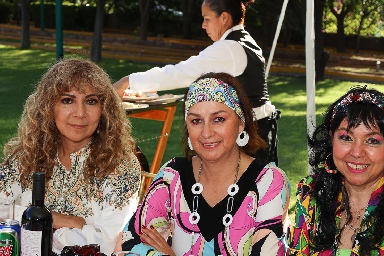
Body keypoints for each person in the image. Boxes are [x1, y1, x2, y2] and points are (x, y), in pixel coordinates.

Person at [116, 72, 291, 255]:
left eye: (218, 119)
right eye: (196, 121)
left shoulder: (268, 182)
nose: (206, 133)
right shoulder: (172, 177)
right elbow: (128, 243)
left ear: (241, 123)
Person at [0, 58, 141, 255]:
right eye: (68, 100)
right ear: (48, 107)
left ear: (104, 110)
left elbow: (108, 242)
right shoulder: (27, 155)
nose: (80, 113)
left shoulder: (119, 164)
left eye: (91, 101)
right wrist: (57, 219)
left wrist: (34, 226)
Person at [113, 0, 280, 165]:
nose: (203, 25)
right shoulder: (244, 41)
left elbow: (179, 73)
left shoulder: (229, 48)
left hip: (252, 135)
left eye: (207, 19)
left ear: (223, 18)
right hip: (260, 129)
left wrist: (128, 81)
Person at [290, 86, 384, 255]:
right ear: (331, 138)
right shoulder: (311, 193)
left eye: (372, 141)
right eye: (346, 138)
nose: (356, 152)